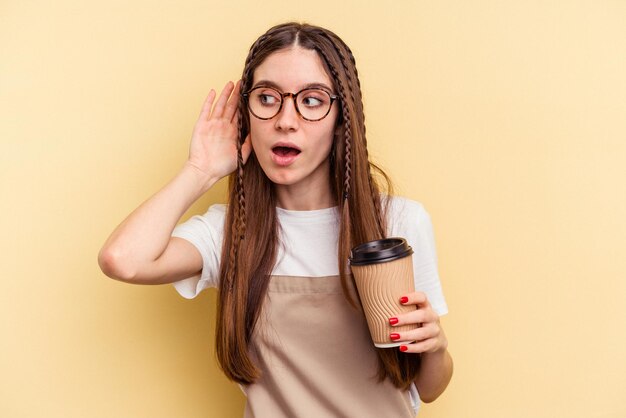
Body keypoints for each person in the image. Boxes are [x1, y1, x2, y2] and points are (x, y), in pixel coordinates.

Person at [98, 22, 453, 417]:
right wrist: (200, 170)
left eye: (312, 100)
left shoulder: (399, 223)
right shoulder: (231, 232)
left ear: (341, 120)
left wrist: (435, 346)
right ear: (247, 114)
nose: (286, 119)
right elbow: (122, 259)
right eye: (267, 98)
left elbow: (430, 387)